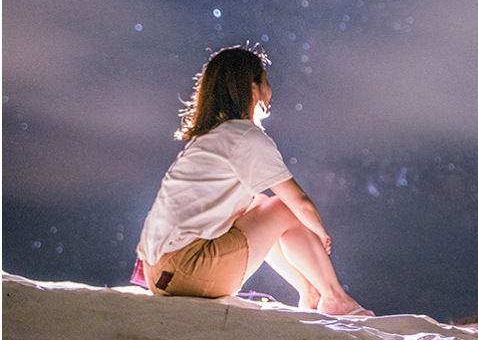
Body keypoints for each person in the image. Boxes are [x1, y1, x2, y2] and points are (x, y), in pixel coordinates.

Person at [135, 45, 374, 316]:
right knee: (284, 208)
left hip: (158, 273)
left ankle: (310, 291)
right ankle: (334, 297)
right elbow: (300, 202)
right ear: (253, 88)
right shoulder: (245, 137)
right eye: (267, 82)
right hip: (189, 270)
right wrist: (320, 235)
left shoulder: (208, 139)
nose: (271, 91)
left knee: (258, 203)